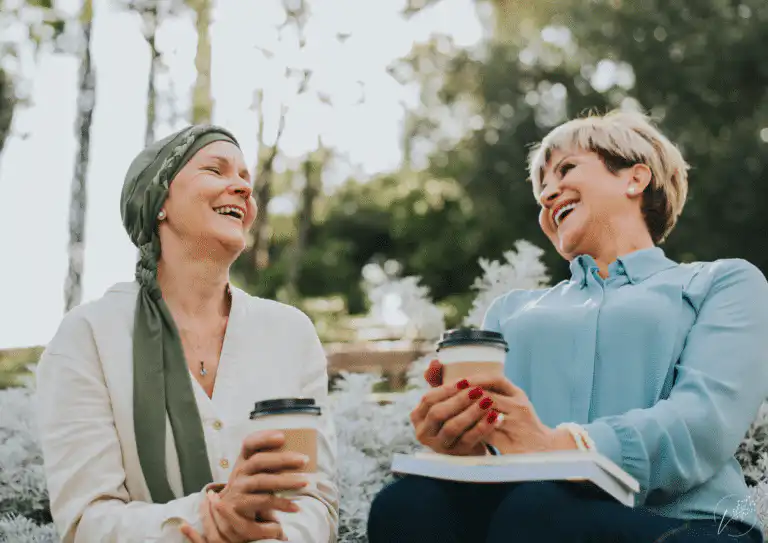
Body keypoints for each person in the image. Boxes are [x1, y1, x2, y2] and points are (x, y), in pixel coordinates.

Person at [367, 110, 768, 543]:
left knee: (539, 512)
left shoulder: (722, 282)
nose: (547, 194)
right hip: (528, 516)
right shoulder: (509, 311)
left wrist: (561, 447)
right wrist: (466, 440)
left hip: (691, 526)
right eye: (541, 187)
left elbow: (703, 422)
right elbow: (502, 443)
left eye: (566, 169)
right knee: (405, 504)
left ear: (635, 179)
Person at [35, 124, 339, 543]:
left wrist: (264, 534)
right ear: (159, 200)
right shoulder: (88, 337)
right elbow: (85, 520)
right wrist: (207, 519)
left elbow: (314, 499)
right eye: (216, 170)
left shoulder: (290, 335)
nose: (243, 188)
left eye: (245, 178)